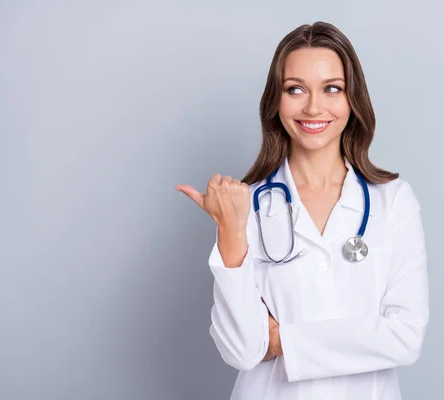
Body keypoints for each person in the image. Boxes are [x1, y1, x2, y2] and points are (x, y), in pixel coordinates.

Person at [176, 21, 429, 400]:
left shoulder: (392, 200)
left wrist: (283, 341)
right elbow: (242, 351)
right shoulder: (246, 205)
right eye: (295, 89)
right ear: (276, 102)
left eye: (332, 89)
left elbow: (405, 337)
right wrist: (231, 234)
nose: (314, 107)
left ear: (352, 99)